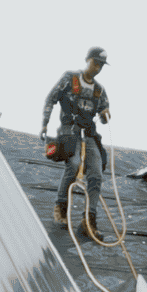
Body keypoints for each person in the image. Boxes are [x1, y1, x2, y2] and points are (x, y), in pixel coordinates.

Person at [42, 46, 112, 241]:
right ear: (87, 60)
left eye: (101, 65)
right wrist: (44, 124)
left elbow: (104, 111)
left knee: (96, 174)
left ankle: (88, 221)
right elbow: (51, 98)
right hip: (70, 130)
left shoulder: (99, 91)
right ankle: (60, 206)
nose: (97, 67)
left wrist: (105, 115)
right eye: (95, 63)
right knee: (73, 164)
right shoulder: (70, 78)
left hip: (89, 134)